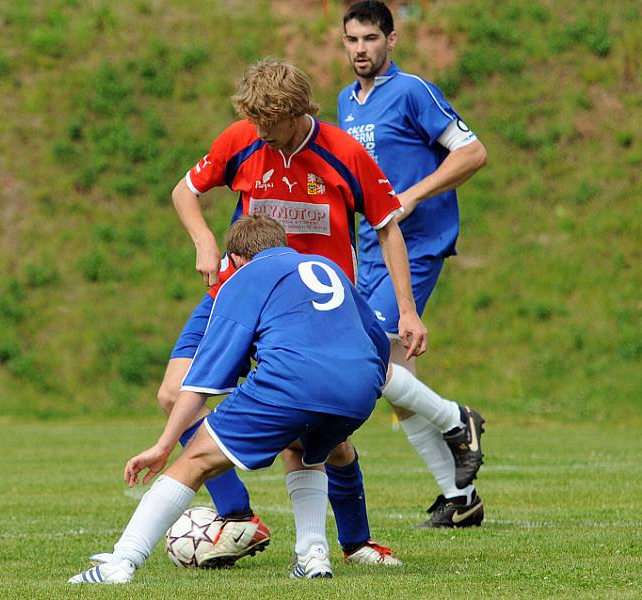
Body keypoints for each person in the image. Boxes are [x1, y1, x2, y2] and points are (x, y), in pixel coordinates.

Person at [155, 58, 424, 565]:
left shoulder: (343, 154)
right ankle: (239, 518)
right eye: (254, 124)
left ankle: (356, 543)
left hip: (314, 313)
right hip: (237, 295)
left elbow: (388, 227)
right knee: (175, 394)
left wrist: (407, 311)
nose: (261, 135)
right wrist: (205, 241)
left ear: (299, 112)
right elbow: (184, 191)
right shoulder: (242, 140)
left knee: (321, 439)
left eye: (270, 126)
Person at [68, 215, 391, 583]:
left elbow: (204, 379)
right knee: (302, 448)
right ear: (281, 243)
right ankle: (313, 556)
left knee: (196, 460)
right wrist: (360, 388)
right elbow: (377, 339)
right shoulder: (324, 266)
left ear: (234, 259)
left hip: (293, 382)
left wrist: (163, 445)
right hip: (360, 388)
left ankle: (120, 563)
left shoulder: (243, 279)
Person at [339, 1, 489, 528]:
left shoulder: (413, 92)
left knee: (368, 361)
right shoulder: (346, 103)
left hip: (417, 244)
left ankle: (458, 420)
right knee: (397, 383)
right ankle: (460, 498)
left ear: (391, 40)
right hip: (368, 250)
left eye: (371, 39)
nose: (361, 49)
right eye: (353, 40)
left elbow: (472, 153)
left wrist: (412, 196)